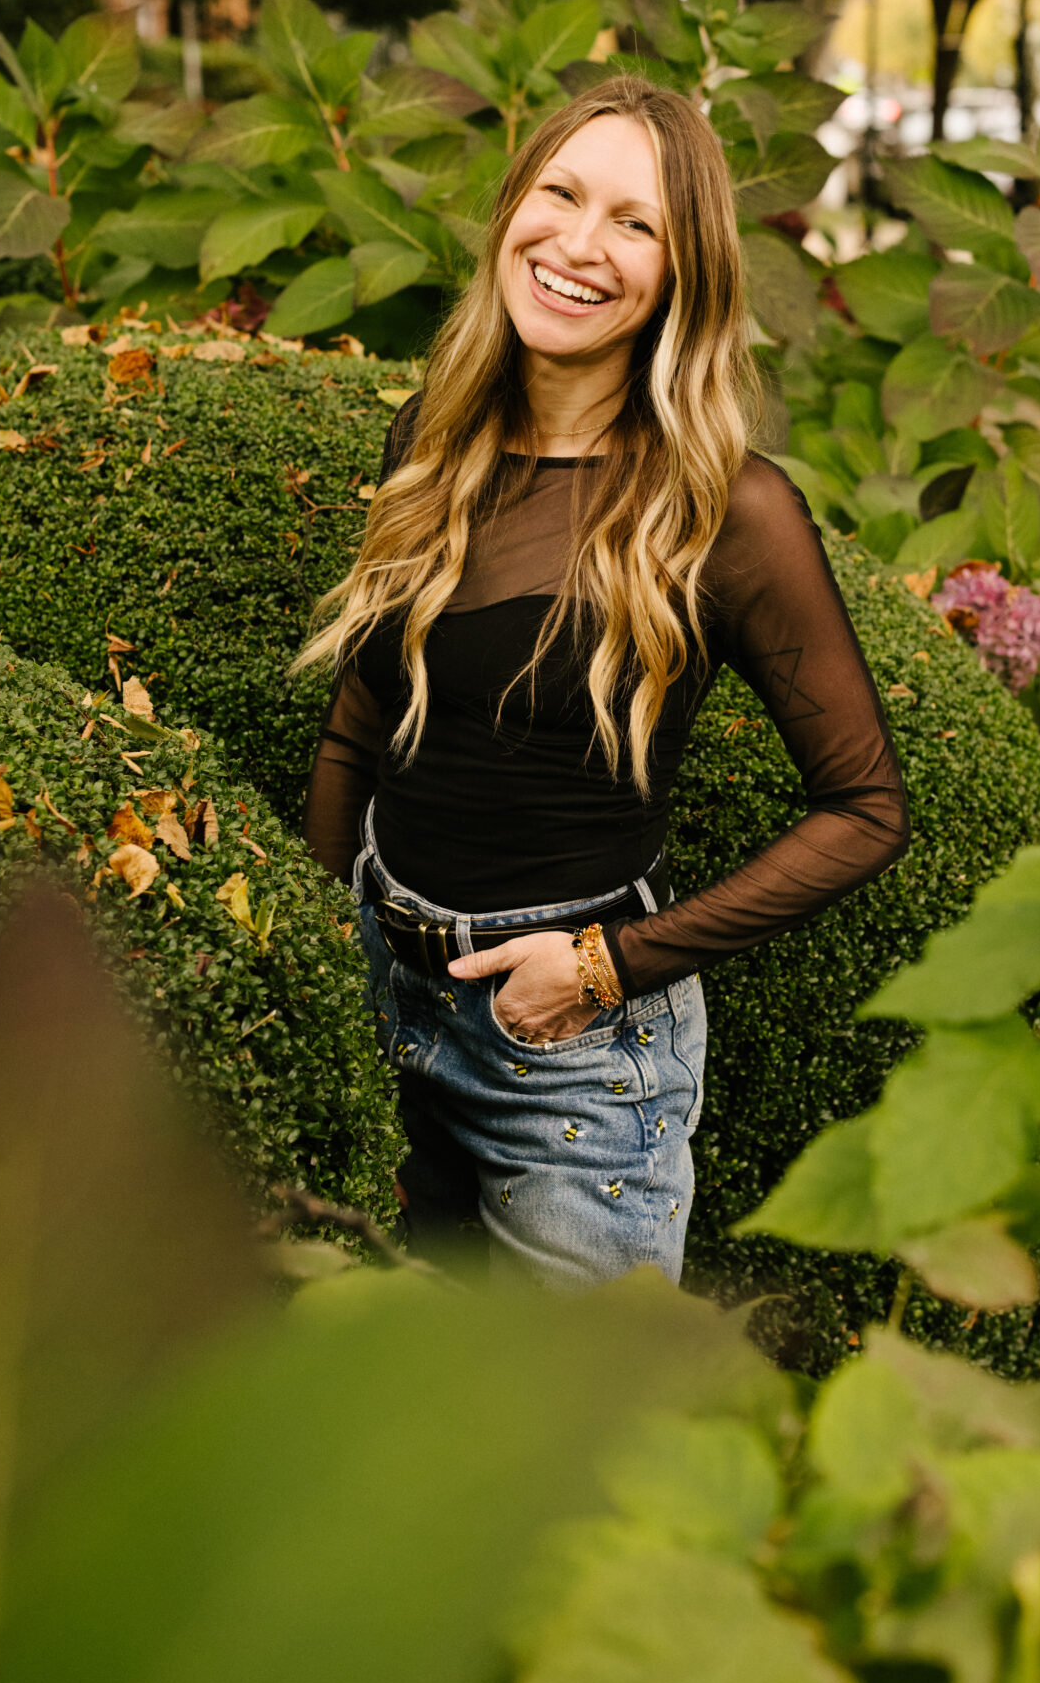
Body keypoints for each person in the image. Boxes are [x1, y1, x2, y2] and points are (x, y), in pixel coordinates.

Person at [301, 73, 909, 1288]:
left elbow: (866, 810)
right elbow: (366, 710)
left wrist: (605, 966)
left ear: (683, 274)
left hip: (572, 1067)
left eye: (633, 223)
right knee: (382, 1418)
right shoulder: (431, 438)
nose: (579, 244)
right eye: (560, 194)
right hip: (380, 984)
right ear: (511, 210)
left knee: (565, 1454)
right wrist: (321, 933)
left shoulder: (727, 512)